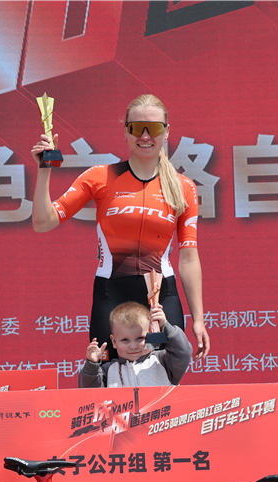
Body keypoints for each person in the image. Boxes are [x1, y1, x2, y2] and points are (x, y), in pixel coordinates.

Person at [31, 94, 209, 360]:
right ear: (125, 131)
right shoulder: (101, 177)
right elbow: (43, 222)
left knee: (162, 375)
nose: (145, 136)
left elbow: (189, 258)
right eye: (136, 128)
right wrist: (45, 168)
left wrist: (199, 320)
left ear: (167, 132)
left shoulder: (184, 187)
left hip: (162, 300)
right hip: (111, 295)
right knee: (108, 377)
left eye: (154, 128)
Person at [79, 302, 192, 388]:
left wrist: (165, 326)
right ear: (114, 342)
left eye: (140, 338)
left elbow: (183, 352)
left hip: (161, 412)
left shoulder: (162, 361)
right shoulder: (108, 370)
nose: (133, 346)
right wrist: (92, 365)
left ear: (150, 335)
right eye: (125, 340)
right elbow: (89, 393)